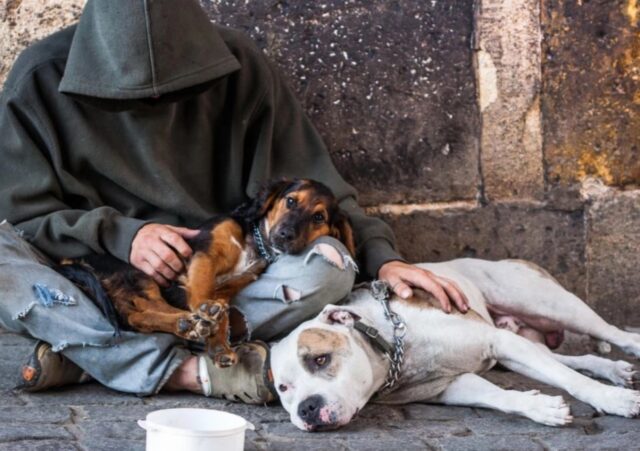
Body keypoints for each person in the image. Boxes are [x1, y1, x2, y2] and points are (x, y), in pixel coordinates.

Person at [0, 0, 468, 403]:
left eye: (174, 89)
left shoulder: (239, 64)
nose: (157, 99)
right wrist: (124, 235)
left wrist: (384, 260)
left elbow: (318, 187)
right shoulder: (39, 79)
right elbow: (20, 216)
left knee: (331, 265)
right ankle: (197, 372)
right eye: (131, 96)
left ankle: (91, 355)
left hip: (227, 284)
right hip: (95, 283)